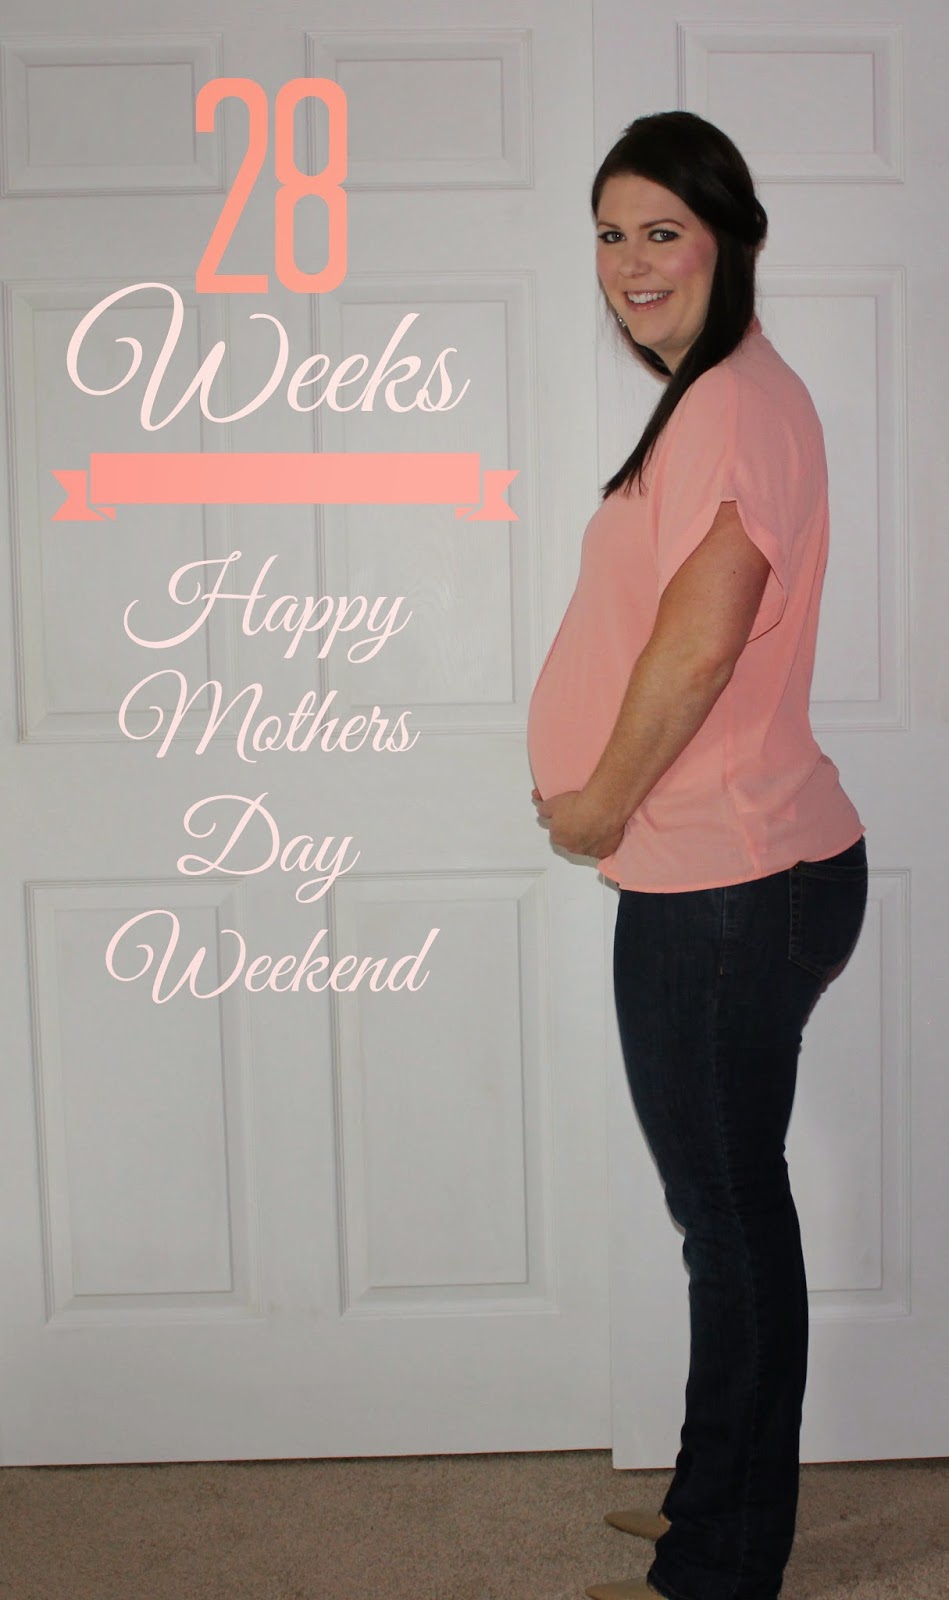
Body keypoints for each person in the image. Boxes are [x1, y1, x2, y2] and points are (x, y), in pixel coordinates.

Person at [526, 111, 869, 1600]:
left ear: (730, 239)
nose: (629, 262)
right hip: (736, 865)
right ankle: (707, 1503)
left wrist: (597, 803)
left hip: (720, 877)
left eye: (661, 230)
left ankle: (722, 1561)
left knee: (726, 1222)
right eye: (611, 235)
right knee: (723, 1215)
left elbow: (703, 630)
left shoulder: (729, 401)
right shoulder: (725, 398)